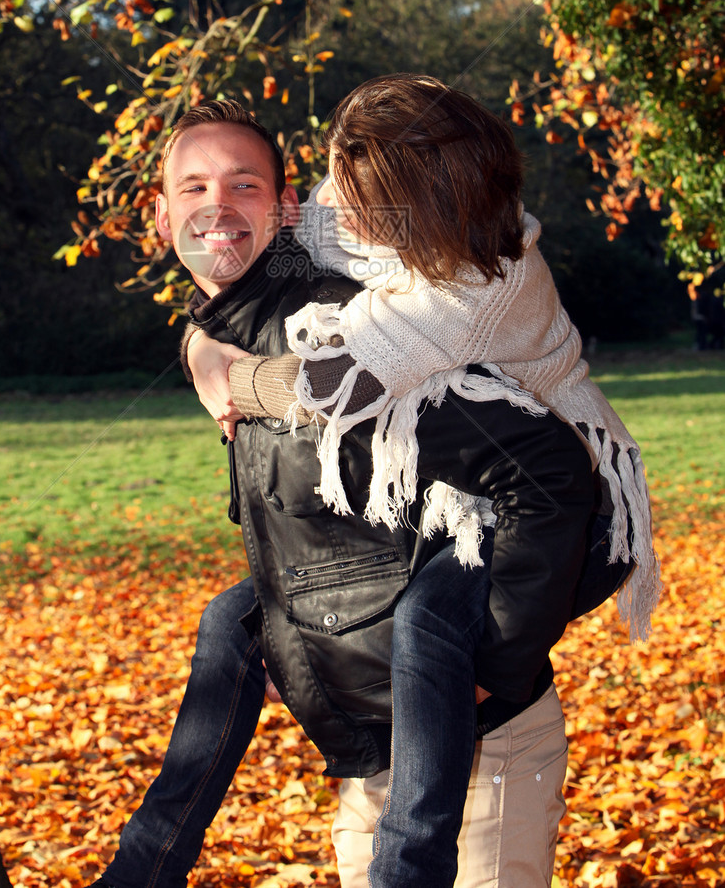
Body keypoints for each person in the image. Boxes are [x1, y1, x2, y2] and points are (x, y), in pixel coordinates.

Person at [84, 97, 631, 888]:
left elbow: (549, 478)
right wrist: (203, 347)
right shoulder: (241, 324)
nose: (216, 206)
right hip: (373, 748)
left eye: (243, 185)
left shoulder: (351, 339)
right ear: (160, 213)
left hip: (479, 750)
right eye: (193, 186)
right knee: (228, 620)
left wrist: (497, 667)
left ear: (287, 210)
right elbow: (333, 542)